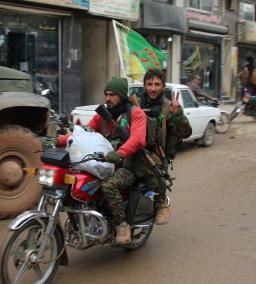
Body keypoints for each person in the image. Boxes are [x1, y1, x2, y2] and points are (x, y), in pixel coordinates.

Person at [57, 77, 147, 245]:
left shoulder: (136, 114)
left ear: (121, 95)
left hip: (129, 165)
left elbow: (138, 140)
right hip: (105, 164)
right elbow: (84, 134)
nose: (108, 98)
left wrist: (119, 153)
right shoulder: (102, 116)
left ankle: (122, 224)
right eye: (106, 94)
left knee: (108, 185)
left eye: (112, 94)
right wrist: (60, 140)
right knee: (76, 179)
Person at [130, 68, 192, 226]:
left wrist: (177, 116)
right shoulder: (134, 103)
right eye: (149, 84)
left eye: (157, 84)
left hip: (157, 152)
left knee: (154, 165)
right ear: (144, 85)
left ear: (163, 86)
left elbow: (186, 133)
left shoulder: (170, 107)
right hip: (134, 147)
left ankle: (161, 202)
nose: (152, 88)